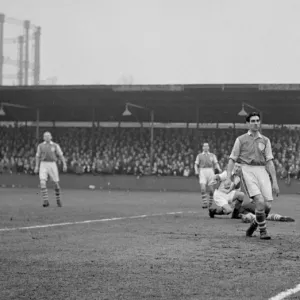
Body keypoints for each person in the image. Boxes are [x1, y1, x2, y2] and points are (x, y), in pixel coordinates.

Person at [225, 112, 280, 240]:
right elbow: (232, 159)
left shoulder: (266, 140)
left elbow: (270, 161)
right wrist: (228, 178)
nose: (255, 123)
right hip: (247, 170)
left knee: (267, 206)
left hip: (262, 170)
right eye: (252, 121)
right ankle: (263, 232)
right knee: (260, 201)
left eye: (257, 121)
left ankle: (254, 224)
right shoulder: (240, 139)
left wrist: (275, 182)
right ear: (247, 123)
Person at [34, 131, 67, 207]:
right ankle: (46, 201)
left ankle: (58, 200)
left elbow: (61, 155)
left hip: (52, 164)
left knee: (55, 183)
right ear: (43, 138)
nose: (47, 137)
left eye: (48, 136)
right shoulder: (40, 146)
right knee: (42, 182)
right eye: (45, 136)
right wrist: (36, 166)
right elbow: (37, 156)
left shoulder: (55, 145)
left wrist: (64, 164)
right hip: (43, 164)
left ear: (51, 137)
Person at [194, 142, 222, 209]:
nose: (205, 147)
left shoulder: (212, 155)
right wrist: (196, 170)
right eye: (204, 146)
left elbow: (216, 163)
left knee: (211, 190)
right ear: (202, 147)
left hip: (210, 171)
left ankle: (210, 202)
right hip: (202, 171)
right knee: (203, 188)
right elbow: (196, 164)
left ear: (208, 147)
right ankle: (205, 203)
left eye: (207, 146)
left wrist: (219, 168)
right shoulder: (199, 155)